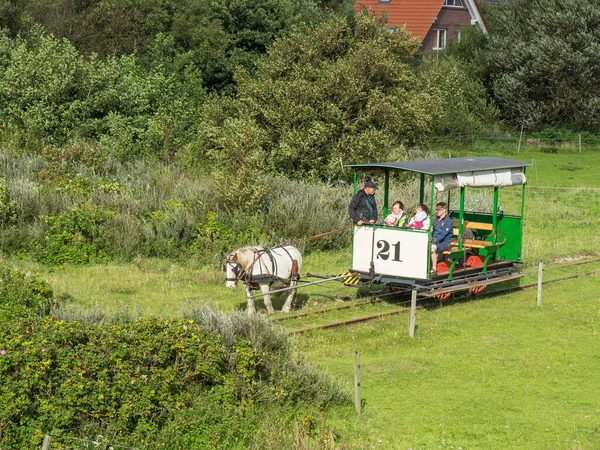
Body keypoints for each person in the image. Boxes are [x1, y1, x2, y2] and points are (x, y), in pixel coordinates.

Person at [430, 202, 453, 275]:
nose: (437, 211)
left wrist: (433, 241)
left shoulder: (448, 221)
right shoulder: (436, 219)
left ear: (444, 210)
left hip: (445, 243)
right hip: (436, 241)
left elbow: (443, 235)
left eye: (439, 210)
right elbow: (433, 231)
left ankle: (433, 268)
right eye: (436, 209)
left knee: (432, 248)